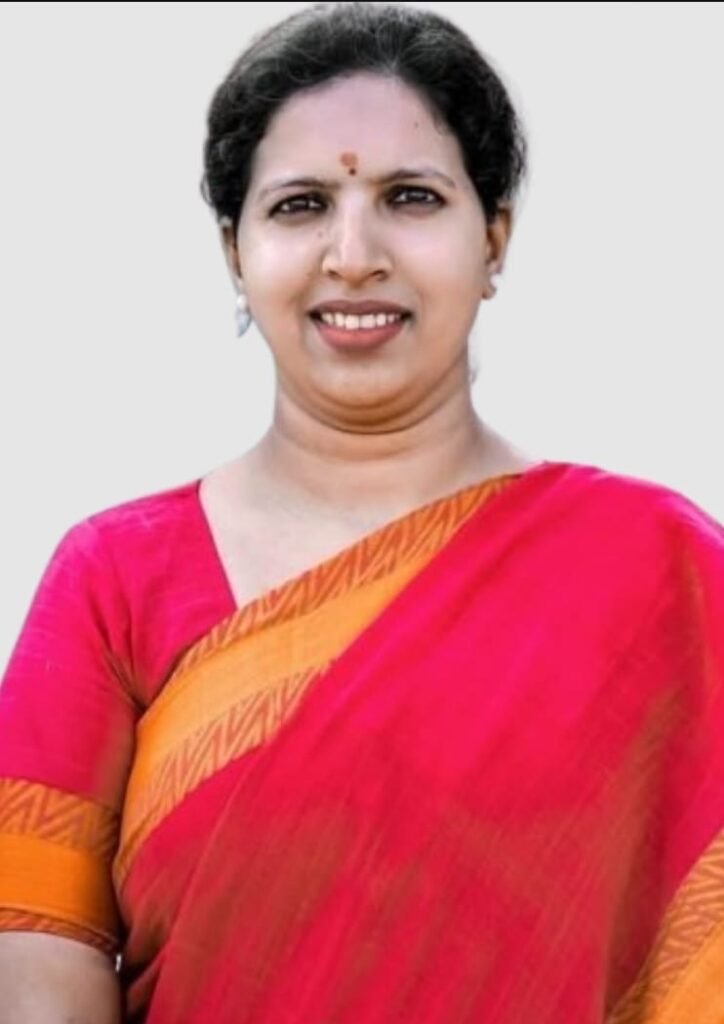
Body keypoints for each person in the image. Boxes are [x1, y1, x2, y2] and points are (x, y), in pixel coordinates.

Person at [1, 2, 722, 1021]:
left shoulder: (658, 572)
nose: (352, 254)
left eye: (410, 198)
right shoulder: (116, 578)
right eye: (300, 206)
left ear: (494, 239)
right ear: (234, 251)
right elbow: (35, 951)